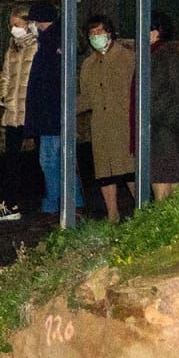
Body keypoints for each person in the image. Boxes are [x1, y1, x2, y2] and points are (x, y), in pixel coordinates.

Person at [22, 0, 83, 217]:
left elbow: (45, 84)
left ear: (40, 21)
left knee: (51, 160)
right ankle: (71, 203)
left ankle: (55, 205)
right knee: (62, 159)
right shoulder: (56, 41)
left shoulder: (49, 43)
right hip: (54, 113)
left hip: (51, 114)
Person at [78, 15, 136, 221]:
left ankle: (143, 209)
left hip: (124, 124)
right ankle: (113, 214)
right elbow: (86, 97)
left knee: (129, 169)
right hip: (100, 125)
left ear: (109, 33)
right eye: (92, 33)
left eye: (99, 31)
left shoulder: (128, 58)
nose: (96, 36)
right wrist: (67, 109)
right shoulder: (88, 64)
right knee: (104, 172)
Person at [0, 4, 36, 222]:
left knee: (43, 157)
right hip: (13, 110)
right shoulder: (13, 48)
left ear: (28, 23)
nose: (12, 29)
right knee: (11, 158)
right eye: (11, 25)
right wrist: (4, 98)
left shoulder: (36, 47)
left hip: (31, 109)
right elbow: (6, 76)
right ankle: (10, 202)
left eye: (16, 24)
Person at [146, 12, 179, 200]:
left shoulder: (167, 56)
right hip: (162, 132)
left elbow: (176, 94)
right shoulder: (153, 55)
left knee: (168, 191)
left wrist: (152, 119)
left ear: (157, 31)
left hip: (167, 134)